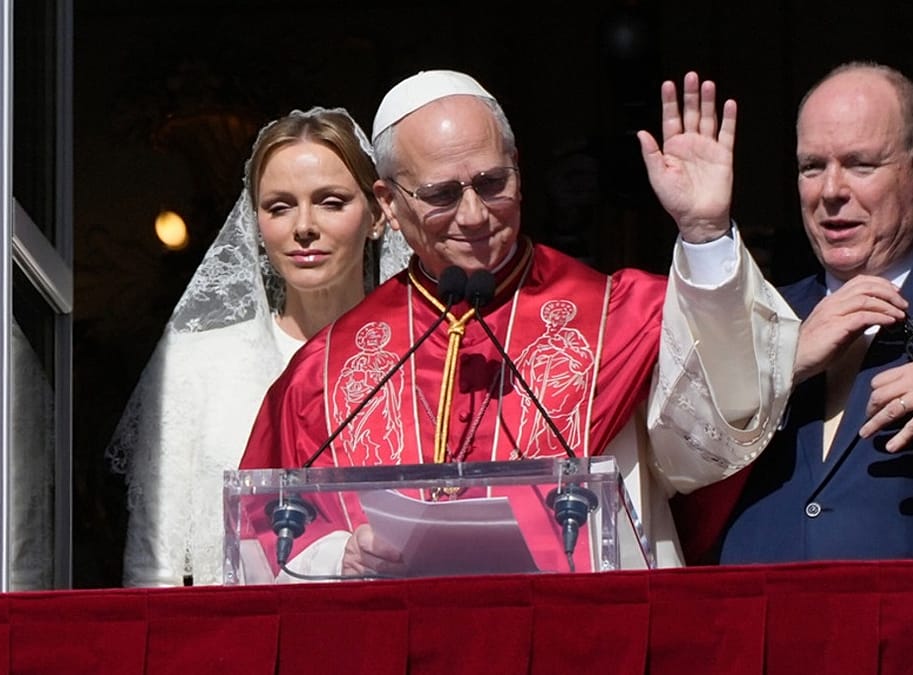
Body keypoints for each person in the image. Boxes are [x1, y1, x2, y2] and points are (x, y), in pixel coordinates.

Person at [240, 69, 799, 577]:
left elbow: (717, 437)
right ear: (387, 203)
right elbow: (263, 533)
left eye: (491, 183)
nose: (474, 215)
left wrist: (703, 233)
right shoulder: (330, 368)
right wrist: (341, 553)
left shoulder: (620, 318)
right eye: (440, 194)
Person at [106, 107, 411, 586]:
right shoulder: (195, 362)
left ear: (377, 214)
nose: (303, 226)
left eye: (330, 202)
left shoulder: (424, 356)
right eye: (279, 206)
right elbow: (154, 562)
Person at [713, 62, 913, 565]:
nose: (830, 191)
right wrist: (782, 361)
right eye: (812, 167)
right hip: (757, 625)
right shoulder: (757, 314)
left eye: (860, 165)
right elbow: (670, 459)